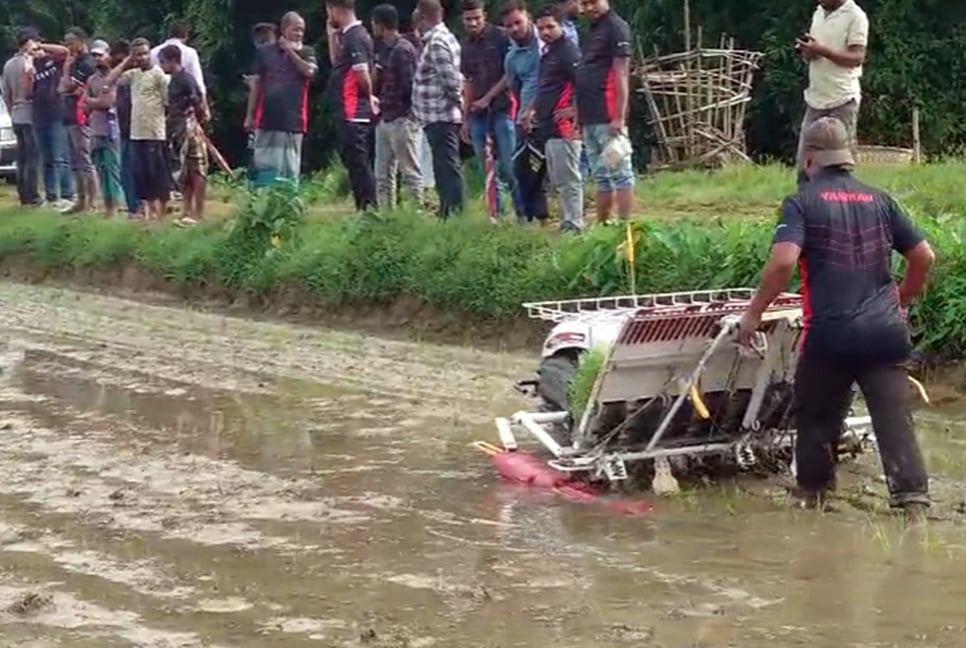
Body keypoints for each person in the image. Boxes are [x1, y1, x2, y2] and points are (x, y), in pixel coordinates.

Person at [737, 117, 935, 524]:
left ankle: (815, 500)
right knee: (894, 419)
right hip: (885, 332)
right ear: (848, 158)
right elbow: (924, 256)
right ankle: (913, 503)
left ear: (809, 158)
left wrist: (754, 313)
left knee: (815, 417)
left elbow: (783, 262)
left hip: (832, 333)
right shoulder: (880, 199)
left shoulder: (802, 202)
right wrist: (902, 296)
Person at [794, 0, 868, 187]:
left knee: (841, 160)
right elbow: (816, 47)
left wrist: (824, 51)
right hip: (816, 97)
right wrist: (809, 52)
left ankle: (844, 204)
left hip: (842, 98)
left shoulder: (855, 16)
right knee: (805, 159)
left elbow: (857, 57)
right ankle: (805, 203)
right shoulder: (819, 12)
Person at [574, 0, 634, 223]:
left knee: (621, 174)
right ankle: (602, 228)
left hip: (608, 115)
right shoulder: (592, 29)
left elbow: (621, 74)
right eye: (584, 3)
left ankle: (625, 227)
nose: (589, 8)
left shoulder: (616, 27)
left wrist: (619, 116)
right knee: (601, 177)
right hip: (589, 116)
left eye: (593, 2)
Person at [245, 12, 317, 189]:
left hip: (294, 119)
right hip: (266, 118)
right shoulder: (265, 53)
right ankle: (262, 202)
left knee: (289, 165)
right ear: (284, 29)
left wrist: (290, 52)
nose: (299, 33)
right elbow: (257, 85)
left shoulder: (307, 52)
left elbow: (309, 72)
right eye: (296, 29)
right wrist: (249, 115)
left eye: (302, 30)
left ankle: (287, 203)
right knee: (264, 163)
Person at [459, 0, 517, 220]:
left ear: (484, 15)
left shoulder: (502, 37)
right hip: (478, 115)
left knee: (511, 167)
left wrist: (488, 98)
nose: (473, 23)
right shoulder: (465, 46)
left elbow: (510, 74)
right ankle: (497, 216)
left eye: (477, 18)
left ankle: (524, 213)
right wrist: (465, 118)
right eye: (468, 19)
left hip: (503, 108)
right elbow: (468, 82)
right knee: (487, 170)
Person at [531, 5, 583, 232]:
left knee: (569, 178)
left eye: (550, 27)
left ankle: (574, 224)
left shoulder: (568, 52)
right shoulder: (548, 53)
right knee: (558, 179)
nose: (545, 32)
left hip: (564, 127)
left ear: (562, 26)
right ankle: (567, 222)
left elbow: (586, 83)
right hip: (548, 125)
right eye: (540, 28)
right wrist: (532, 108)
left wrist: (576, 110)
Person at [107, 38, 170, 220]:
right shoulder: (134, 75)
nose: (142, 58)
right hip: (136, 133)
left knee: (155, 174)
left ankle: (161, 215)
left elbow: (168, 103)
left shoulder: (159, 75)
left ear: (150, 53)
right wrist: (127, 61)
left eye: (144, 53)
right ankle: (147, 213)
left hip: (154, 133)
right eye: (138, 54)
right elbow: (111, 79)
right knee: (140, 175)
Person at [412, 0, 464, 219]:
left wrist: (460, 104)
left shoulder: (436, 43)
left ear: (423, 17)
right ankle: (447, 208)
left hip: (441, 114)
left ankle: (453, 211)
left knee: (446, 165)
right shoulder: (442, 38)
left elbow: (450, 81)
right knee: (442, 164)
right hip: (435, 115)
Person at [325, 0, 377, 212]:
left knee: (359, 163)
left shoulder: (355, 36)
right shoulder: (348, 36)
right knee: (354, 162)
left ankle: (369, 209)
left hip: (352, 110)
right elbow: (338, 62)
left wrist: (370, 95)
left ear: (334, 9)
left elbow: (362, 74)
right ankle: (363, 208)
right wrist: (331, 36)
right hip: (348, 109)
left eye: (328, 10)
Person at [371, 4, 423, 209]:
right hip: (386, 115)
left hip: (402, 117)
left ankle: (416, 213)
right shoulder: (385, 50)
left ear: (380, 25)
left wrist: (411, 115)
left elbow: (409, 85)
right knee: (383, 173)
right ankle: (388, 215)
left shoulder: (403, 50)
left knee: (409, 171)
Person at [500, 0, 547, 224]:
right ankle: (532, 219)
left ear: (527, 17)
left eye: (518, 22)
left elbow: (554, 81)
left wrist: (534, 108)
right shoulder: (511, 57)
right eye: (509, 26)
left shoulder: (546, 43)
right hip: (524, 121)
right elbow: (515, 91)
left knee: (557, 171)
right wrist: (523, 114)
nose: (515, 29)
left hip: (551, 115)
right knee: (524, 171)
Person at [158, 45, 209, 223]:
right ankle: (187, 210)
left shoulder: (186, 79)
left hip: (189, 128)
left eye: (163, 62)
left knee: (197, 169)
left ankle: (199, 211)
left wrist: (197, 122)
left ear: (173, 61)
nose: (161, 66)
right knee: (184, 171)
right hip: (176, 130)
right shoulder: (173, 80)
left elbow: (198, 103)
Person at [26, 36, 74, 210]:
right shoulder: (31, 67)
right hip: (39, 115)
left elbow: (65, 51)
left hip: (57, 113)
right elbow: (28, 94)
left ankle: (68, 194)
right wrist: (29, 77)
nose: (34, 52)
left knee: (60, 156)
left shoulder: (54, 62)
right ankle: (51, 195)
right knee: (46, 157)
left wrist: (40, 45)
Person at [59, 27, 99, 214]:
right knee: (75, 160)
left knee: (85, 158)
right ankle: (80, 199)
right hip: (68, 114)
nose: (68, 47)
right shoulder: (74, 61)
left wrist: (66, 69)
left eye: (70, 43)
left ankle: (92, 201)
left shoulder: (87, 63)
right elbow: (62, 89)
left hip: (81, 116)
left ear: (81, 41)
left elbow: (70, 87)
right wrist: (67, 83)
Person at [2, 28, 42, 207]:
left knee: (22, 157)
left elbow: (6, 94)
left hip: (16, 114)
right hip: (30, 112)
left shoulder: (8, 64)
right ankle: (32, 195)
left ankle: (23, 194)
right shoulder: (29, 63)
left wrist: (12, 111)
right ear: (29, 43)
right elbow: (31, 89)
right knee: (32, 157)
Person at [84, 40, 124, 217]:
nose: (97, 59)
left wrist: (94, 102)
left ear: (108, 54)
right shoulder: (92, 79)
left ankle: (114, 207)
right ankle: (107, 207)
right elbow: (85, 103)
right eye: (94, 56)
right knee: (100, 168)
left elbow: (109, 102)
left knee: (112, 169)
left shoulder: (116, 77)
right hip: (96, 128)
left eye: (100, 55)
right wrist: (96, 102)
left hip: (111, 129)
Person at [245, 23, 278, 182]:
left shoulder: (266, 56)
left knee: (260, 149)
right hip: (267, 110)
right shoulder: (272, 55)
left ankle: (262, 184)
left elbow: (256, 87)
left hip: (264, 111)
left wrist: (249, 116)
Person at [111, 39, 138, 216]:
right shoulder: (122, 77)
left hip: (140, 129)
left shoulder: (139, 75)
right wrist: (125, 62)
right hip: (125, 128)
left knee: (137, 170)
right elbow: (111, 79)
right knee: (126, 170)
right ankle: (132, 206)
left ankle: (139, 207)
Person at [149, 21, 206, 101]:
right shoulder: (190, 52)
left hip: (158, 100)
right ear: (186, 35)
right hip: (183, 100)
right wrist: (203, 101)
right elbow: (197, 79)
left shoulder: (153, 52)